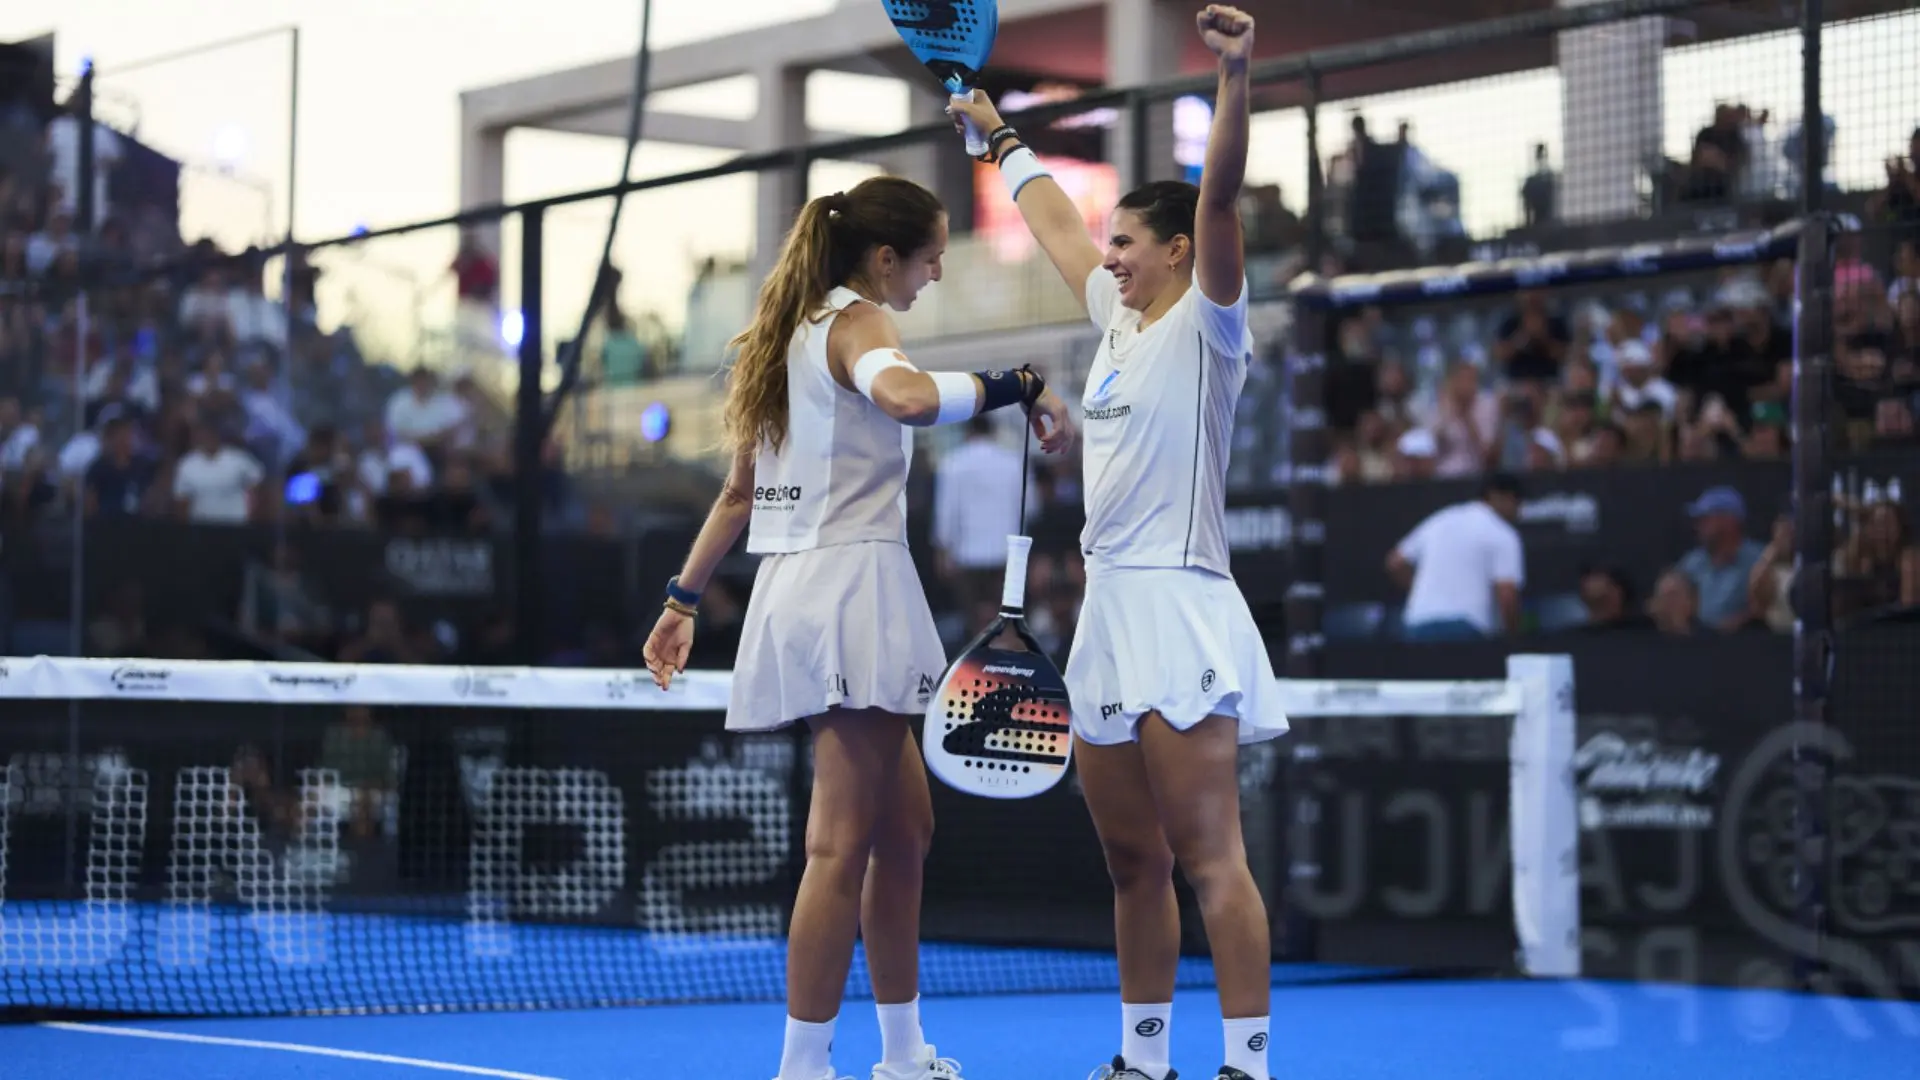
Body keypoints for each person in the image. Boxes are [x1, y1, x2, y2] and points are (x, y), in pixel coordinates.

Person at [642, 174, 1076, 1080]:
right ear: (886, 259)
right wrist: (1020, 382)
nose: (937, 275)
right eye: (931, 259)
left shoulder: (791, 336)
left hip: (801, 590)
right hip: (850, 591)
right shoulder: (859, 324)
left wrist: (681, 601)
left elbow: (740, 492)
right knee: (839, 844)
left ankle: (905, 1055)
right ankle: (802, 1069)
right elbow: (911, 400)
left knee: (904, 827)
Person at [949, 9, 1283, 1080]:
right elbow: (1052, 223)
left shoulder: (1209, 320)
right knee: (1131, 860)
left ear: (1179, 250)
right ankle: (1144, 1063)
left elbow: (1221, 193)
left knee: (1210, 858)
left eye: (1128, 244)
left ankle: (1249, 1067)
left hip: (1181, 605)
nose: (1111, 260)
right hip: (1103, 621)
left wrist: (1233, 78)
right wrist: (998, 137)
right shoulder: (1120, 320)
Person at [1385, 472, 1527, 641]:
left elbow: (1395, 562)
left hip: (1418, 622)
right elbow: (1507, 594)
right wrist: (1513, 639)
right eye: (1517, 503)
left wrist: (1419, 588)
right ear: (1500, 497)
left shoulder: (1441, 519)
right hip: (1466, 627)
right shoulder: (1503, 534)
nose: (1519, 511)